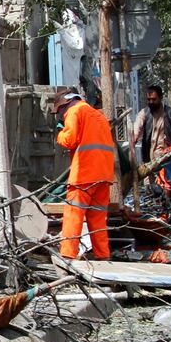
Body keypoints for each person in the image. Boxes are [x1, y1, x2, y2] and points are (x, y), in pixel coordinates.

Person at [53, 87, 117, 260]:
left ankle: (67, 256)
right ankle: (103, 256)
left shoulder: (74, 111)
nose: (60, 116)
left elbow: (69, 140)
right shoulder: (98, 115)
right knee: (97, 219)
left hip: (84, 173)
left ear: (65, 104)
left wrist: (60, 133)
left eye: (59, 111)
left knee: (73, 214)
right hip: (103, 175)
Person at [131, 85, 171, 167]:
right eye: (149, 99)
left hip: (169, 162)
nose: (151, 102)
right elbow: (137, 128)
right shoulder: (144, 113)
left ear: (160, 98)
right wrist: (134, 137)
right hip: (150, 163)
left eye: (154, 99)